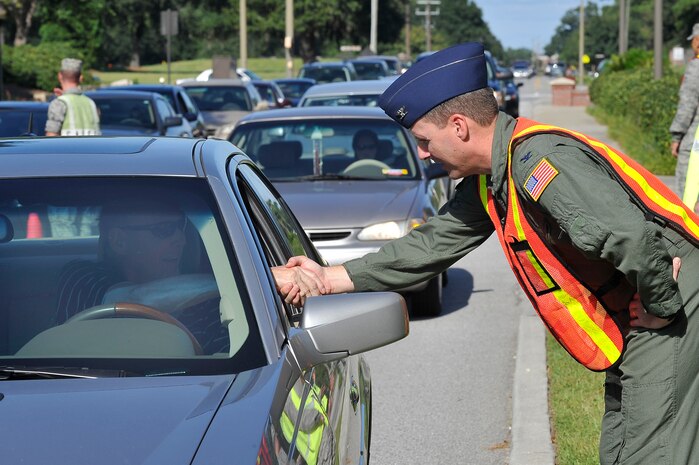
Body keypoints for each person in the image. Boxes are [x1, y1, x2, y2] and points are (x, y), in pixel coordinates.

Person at [276, 42, 699, 464]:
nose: (423, 153)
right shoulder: (494, 175)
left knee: (651, 452)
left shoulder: (537, 165)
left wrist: (662, 306)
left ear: (459, 127)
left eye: (424, 140)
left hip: (672, 294)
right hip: (651, 294)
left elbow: (630, 236)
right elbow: (432, 243)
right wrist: (327, 279)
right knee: (621, 447)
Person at [670, 23, 699, 196]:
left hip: (695, 139)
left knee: (687, 190)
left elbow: (688, 105)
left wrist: (676, 136)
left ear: (697, 41)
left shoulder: (696, 68)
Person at [45, 58, 101, 137]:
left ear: (60, 76)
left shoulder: (59, 103)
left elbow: (51, 136)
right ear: (81, 78)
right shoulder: (91, 104)